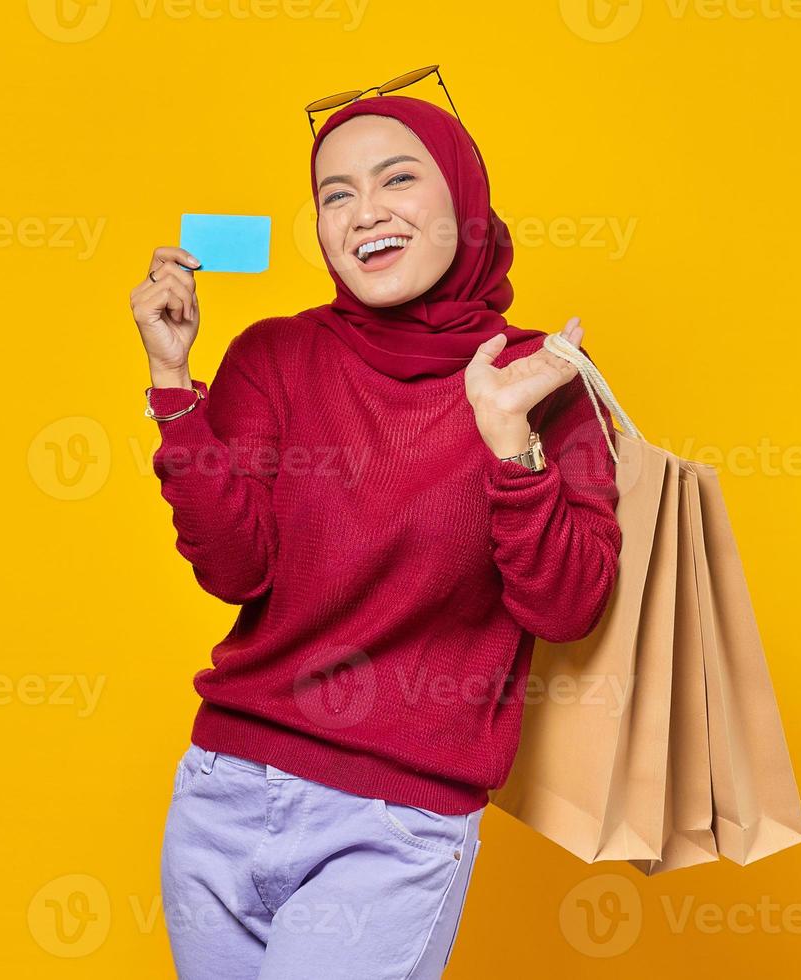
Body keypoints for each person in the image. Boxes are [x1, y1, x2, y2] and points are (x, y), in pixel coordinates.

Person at [130, 94, 623, 979]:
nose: (365, 213)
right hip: (225, 787)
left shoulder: (542, 377)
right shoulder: (274, 356)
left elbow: (568, 605)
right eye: (335, 194)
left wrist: (511, 440)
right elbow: (236, 569)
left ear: (464, 203)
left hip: (393, 819)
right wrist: (174, 383)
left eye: (398, 179)